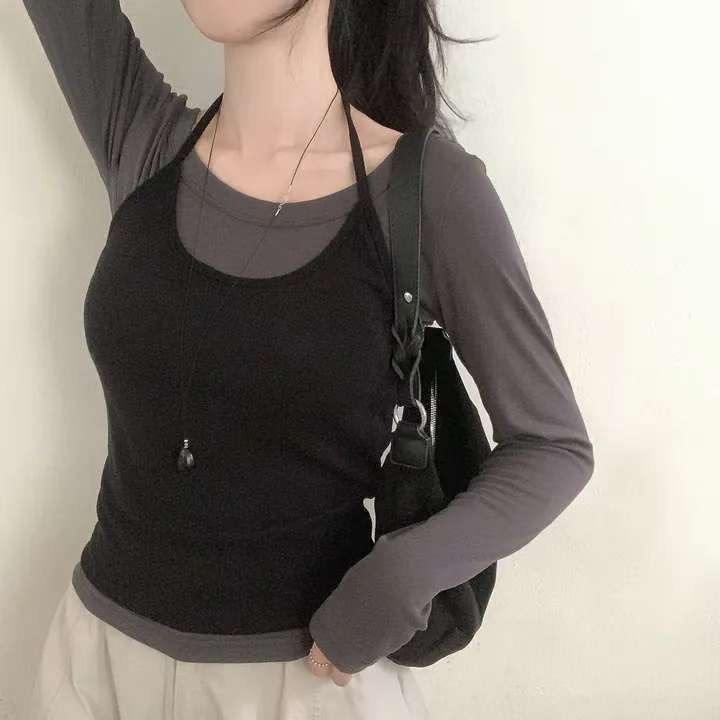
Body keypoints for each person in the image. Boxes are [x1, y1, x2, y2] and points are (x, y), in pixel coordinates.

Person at [22, 0, 595, 718]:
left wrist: (398, 580)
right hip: (94, 662)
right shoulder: (148, 142)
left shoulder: (428, 194)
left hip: (302, 684)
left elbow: (553, 446)